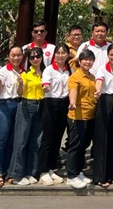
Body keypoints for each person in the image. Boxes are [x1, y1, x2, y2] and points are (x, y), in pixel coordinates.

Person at [9, 47, 45, 185]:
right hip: (27, 105)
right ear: (29, 60)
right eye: (32, 57)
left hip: (41, 105)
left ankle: (31, 172)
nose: (35, 59)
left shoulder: (45, 73)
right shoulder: (25, 74)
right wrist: (20, 84)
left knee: (36, 141)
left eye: (37, 56)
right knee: (21, 140)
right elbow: (20, 93)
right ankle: (16, 174)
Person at [92, 43, 113, 188]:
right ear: (108, 55)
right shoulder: (102, 69)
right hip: (105, 101)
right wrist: (97, 91)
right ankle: (101, 176)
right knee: (102, 138)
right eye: (111, 54)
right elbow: (99, 82)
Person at [38, 44, 71, 186]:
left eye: (63, 53)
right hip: (51, 103)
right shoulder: (49, 70)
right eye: (58, 53)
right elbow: (45, 85)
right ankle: (43, 171)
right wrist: (46, 87)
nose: (60, 55)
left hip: (64, 104)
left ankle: (51, 168)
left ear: (68, 55)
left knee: (57, 138)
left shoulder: (69, 70)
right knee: (48, 138)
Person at [0, 45, 23, 188]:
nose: (16, 58)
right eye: (13, 55)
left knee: (12, 140)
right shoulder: (3, 72)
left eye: (19, 55)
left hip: (18, 104)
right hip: (4, 106)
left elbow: (21, 92)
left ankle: (8, 172)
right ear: (8, 56)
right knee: (1, 140)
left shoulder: (23, 71)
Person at [66, 48, 96, 189]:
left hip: (90, 115)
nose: (87, 62)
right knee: (75, 146)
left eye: (90, 60)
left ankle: (78, 171)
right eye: (85, 59)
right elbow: (73, 90)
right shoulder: (75, 77)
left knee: (83, 146)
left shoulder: (92, 77)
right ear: (79, 61)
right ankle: (71, 176)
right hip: (77, 116)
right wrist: (72, 102)